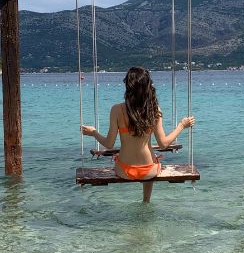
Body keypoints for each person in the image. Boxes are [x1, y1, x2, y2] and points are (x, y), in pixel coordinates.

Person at [82, 66, 195, 203]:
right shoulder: (153, 110)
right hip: (149, 171)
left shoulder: (117, 110)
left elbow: (109, 144)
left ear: (128, 87)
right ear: (147, 87)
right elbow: (163, 144)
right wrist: (181, 125)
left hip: (124, 171)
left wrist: (93, 132)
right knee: (153, 159)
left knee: (120, 159)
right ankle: (146, 201)